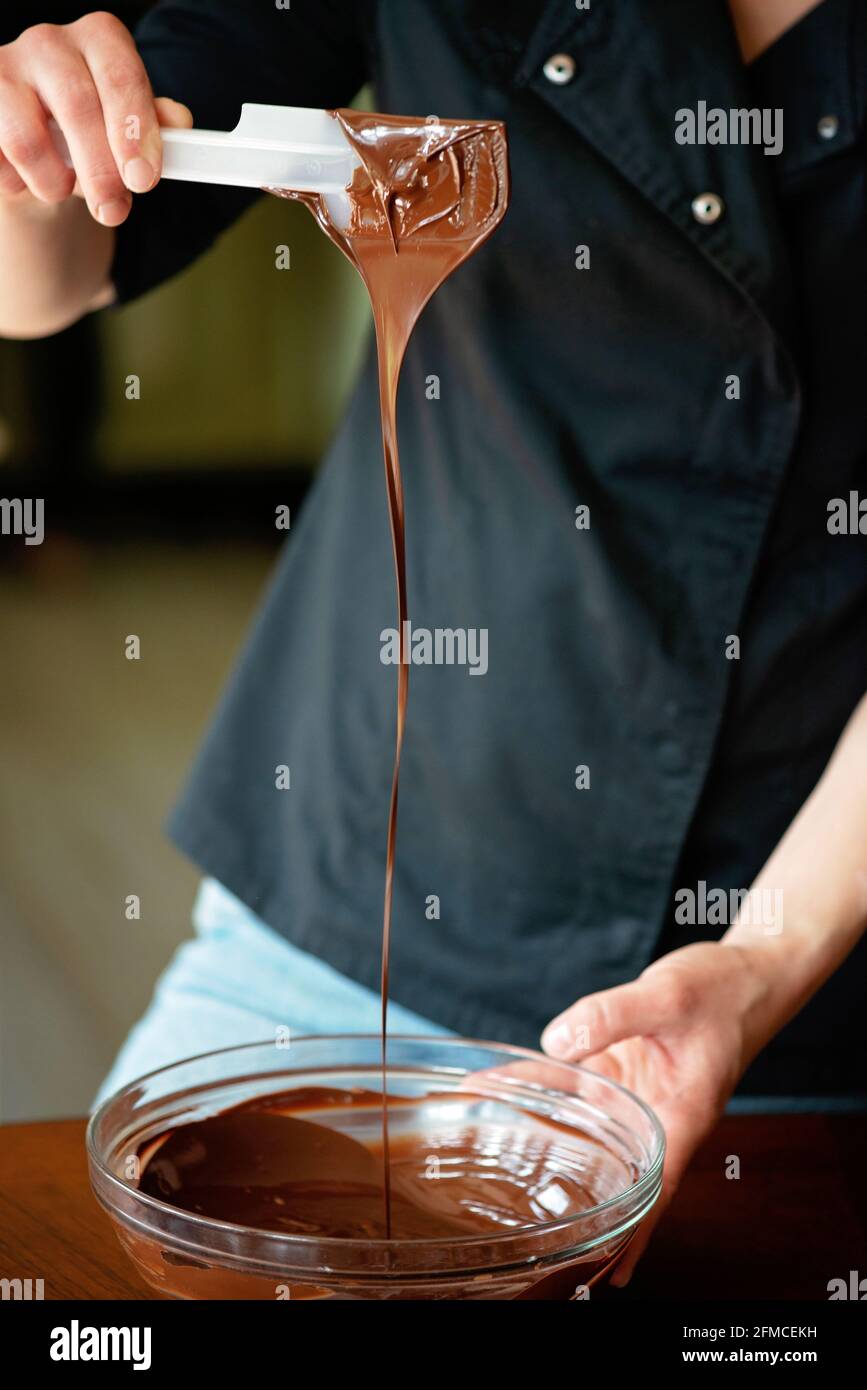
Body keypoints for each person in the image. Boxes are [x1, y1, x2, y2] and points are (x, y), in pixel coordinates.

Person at [1, 0, 865, 1283]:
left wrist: (764, 959)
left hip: (792, 986)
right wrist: (32, 150)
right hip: (355, 902)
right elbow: (49, 276)